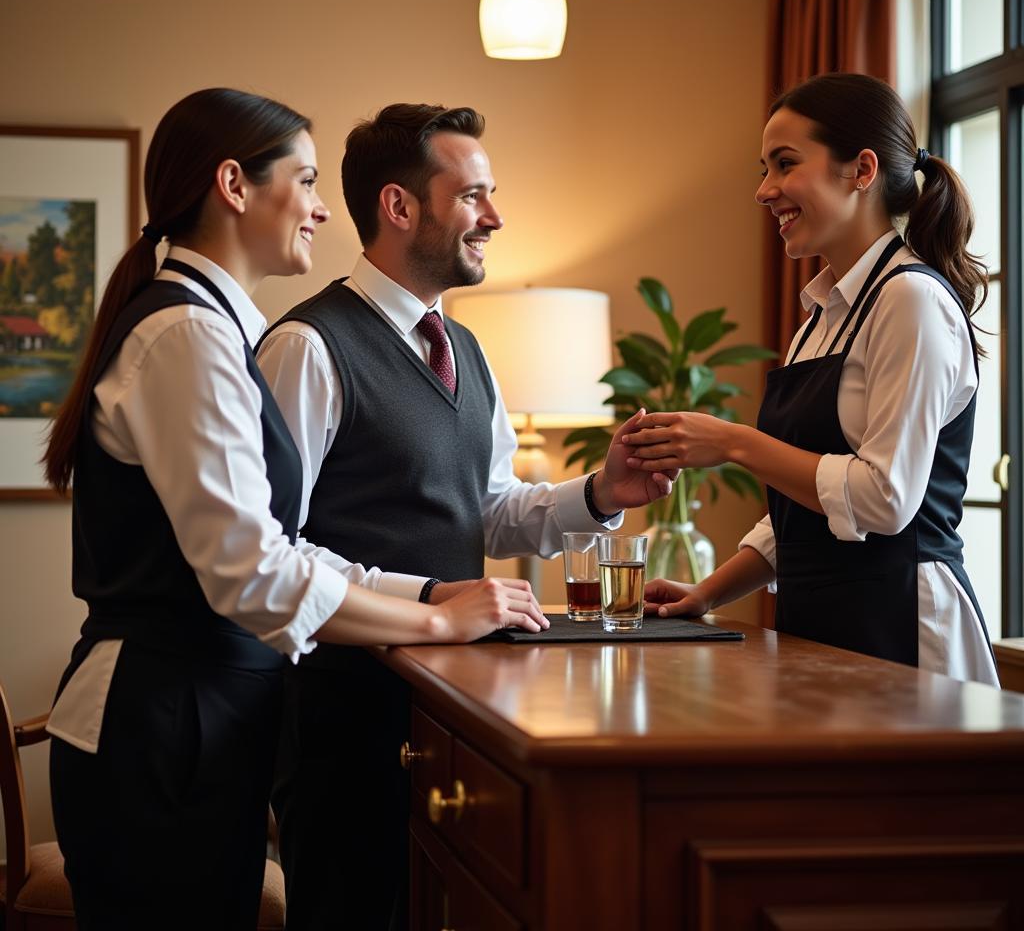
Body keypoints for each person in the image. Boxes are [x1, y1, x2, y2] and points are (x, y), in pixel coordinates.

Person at [40, 88, 548, 931]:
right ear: (234, 185)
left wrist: (425, 598)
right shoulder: (188, 339)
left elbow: (277, 552)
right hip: (164, 726)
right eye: (305, 180)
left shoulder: (211, 332)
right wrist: (434, 623)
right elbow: (253, 573)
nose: (320, 207)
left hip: (201, 720)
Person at [256, 102, 675, 929]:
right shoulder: (306, 348)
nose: (496, 216)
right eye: (474, 195)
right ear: (400, 206)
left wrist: (601, 494)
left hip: (445, 715)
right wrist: (431, 598)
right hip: (340, 720)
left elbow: (486, 507)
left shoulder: (467, 350)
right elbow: (277, 551)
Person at [625, 72, 998, 686]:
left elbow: (884, 499)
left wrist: (735, 443)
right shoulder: (823, 316)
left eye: (784, 164)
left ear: (861, 170)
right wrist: (707, 594)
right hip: (820, 627)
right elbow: (806, 510)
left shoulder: (910, 300)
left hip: (901, 624)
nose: (763, 190)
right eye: (764, 168)